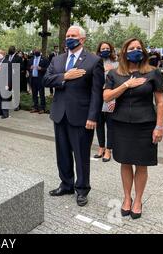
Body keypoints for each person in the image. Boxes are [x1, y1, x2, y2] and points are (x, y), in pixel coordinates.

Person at [103, 38, 163, 219]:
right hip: (121, 124)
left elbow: (161, 102)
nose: (136, 50)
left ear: (144, 52)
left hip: (145, 125)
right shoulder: (114, 74)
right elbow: (106, 97)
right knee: (125, 162)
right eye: (131, 48)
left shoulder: (153, 73)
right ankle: (126, 198)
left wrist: (159, 126)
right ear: (124, 51)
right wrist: (126, 85)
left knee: (142, 164)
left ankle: (137, 200)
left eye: (139, 48)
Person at [43, 26, 104, 207]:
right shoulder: (58, 59)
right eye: (68, 35)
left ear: (82, 39)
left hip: (82, 116)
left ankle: (82, 189)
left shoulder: (94, 61)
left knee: (81, 155)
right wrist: (65, 76)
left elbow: (96, 93)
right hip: (59, 114)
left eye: (73, 36)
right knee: (62, 153)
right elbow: (46, 79)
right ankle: (66, 184)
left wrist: (93, 117)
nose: (69, 38)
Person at [93, 41, 119, 162]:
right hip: (98, 98)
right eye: (102, 48)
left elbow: (120, 81)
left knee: (110, 125)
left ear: (111, 49)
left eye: (107, 48)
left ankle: (109, 149)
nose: (105, 50)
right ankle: (101, 147)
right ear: (99, 50)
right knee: (99, 125)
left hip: (111, 98)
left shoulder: (116, 64)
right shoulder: (95, 63)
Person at [28, 48, 50, 114]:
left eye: (37, 51)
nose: (36, 52)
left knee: (41, 94)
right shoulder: (31, 59)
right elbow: (28, 67)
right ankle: (35, 107)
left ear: (40, 52)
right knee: (34, 94)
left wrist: (41, 68)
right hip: (33, 79)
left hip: (40, 79)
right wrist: (30, 67)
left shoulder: (44, 59)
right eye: (35, 51)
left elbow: (48, 69)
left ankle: (42, 108)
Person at [0, 49, 11, 119]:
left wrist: (8, 84)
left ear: (4, 54)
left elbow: (9, 74)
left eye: (1, 53)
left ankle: (5, 113)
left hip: (4, 83)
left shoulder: (8, 62)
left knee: (4, 98)